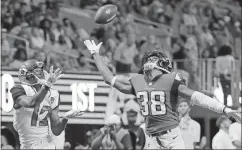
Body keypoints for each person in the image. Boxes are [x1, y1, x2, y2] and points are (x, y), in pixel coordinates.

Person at [83, 39, 241, 149]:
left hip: (172, 137)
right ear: (156, 63)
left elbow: (196, 97)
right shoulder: (139, 81)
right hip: (152, 139)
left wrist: (224, 109)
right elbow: (108, 78)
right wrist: (95, 54)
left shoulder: (163, 80)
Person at [10, 59, 84, 149]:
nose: (42, 73)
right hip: (29, 146)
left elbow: (56, 130)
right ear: (27, 75)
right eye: (38, 71)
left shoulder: (53, 93)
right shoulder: (19, 89)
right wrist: (47, 86)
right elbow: (30, 103)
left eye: (42, 70)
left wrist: (65, 118)